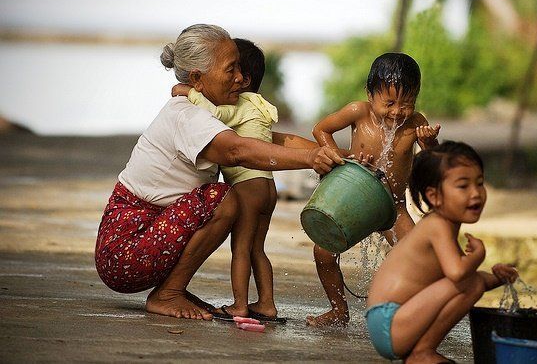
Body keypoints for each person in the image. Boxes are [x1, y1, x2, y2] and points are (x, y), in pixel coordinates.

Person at [94, 24, 343, 321]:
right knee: (223, 199)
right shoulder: (186, 115)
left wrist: (333, 155)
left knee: (222, 200)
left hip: (147, 238)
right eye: (231, 69)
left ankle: (172, 289)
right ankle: (167, 293)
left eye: (239, 66)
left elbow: (266, 140)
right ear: (198, 79)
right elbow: (237, 151)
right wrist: (311, 157)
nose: (241, 77)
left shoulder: (212, 114)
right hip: (124, 254)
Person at [306, 52, 441, 327]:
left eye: (406, 104)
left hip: (393, 207)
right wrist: (338, 159)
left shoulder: (415, 123)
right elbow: (320, 129)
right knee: (322, 253)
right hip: (354, 200)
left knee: (417, 258)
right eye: (389, 103)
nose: (396, 112)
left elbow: (434, 162)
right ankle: (338, 310)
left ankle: (413, 317)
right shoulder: (359, 111)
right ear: (370, 94)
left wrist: (430, 144)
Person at [366, 141, 518, 363]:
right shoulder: (437, 226)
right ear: (435, 196)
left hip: (393, 322)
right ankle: (422, 353)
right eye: (463, 186)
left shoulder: (442, 228)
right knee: (470, 282)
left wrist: (498, 278)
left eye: (480, 183)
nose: (476, 193)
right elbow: (459, 275)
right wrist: (478, 256)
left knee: (472, 281)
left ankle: (419, 353)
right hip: (390, 322)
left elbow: (463, 279)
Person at [171, 38, 285, 323]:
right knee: (258, 248)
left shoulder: (240, 104)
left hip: (247, 188)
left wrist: (188, 91)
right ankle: (267, 304)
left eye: (233, 70)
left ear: (243, 80)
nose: (230, 78)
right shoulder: (260, 105)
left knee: (241, 249)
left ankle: (239, 305)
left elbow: (213, 113)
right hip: (267, 187)